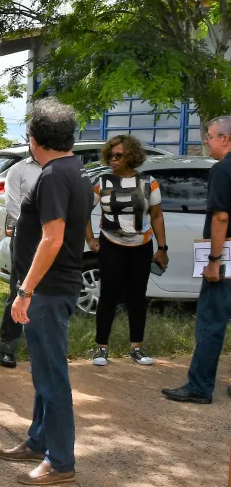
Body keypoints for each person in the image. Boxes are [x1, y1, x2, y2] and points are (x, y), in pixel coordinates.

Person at [0, 98, 92, 486]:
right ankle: (38, 441)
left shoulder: (53, 176)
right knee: (42, 373)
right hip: (53, 289)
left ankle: (61, 462)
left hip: (48, 291)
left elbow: (51, 240)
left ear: (35, 139)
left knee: (52, 378)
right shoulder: (75, 171)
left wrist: (25, 290)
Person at [162, 116, 231, 405]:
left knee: (211, 322)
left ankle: (200, 387)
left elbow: (221, 216)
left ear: (225, 139)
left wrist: (214, 260)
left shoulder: (223, 169)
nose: (207, 141)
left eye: (211, 136)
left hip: (226, 260)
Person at [85, 135, 168, 367]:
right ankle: (101, 348)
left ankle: (137, 348)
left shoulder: (148, 182)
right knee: (108, 297)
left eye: (118, 155)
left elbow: (157, 216)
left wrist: (162, 248)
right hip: (111, 246)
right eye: (110, 155)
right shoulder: (102, 183)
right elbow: (83, 211)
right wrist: (91, 239)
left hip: (141, 247)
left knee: (137, 298)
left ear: (131, 156)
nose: (113, 159)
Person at [0, 155, 42, 368]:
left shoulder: (58, 168)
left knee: (48, 293)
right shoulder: (18, 170)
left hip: (54, 236)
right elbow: (12, 205)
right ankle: (8, 348)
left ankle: (42, 348)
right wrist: (34, 227)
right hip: (25, 236)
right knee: (19, 289)